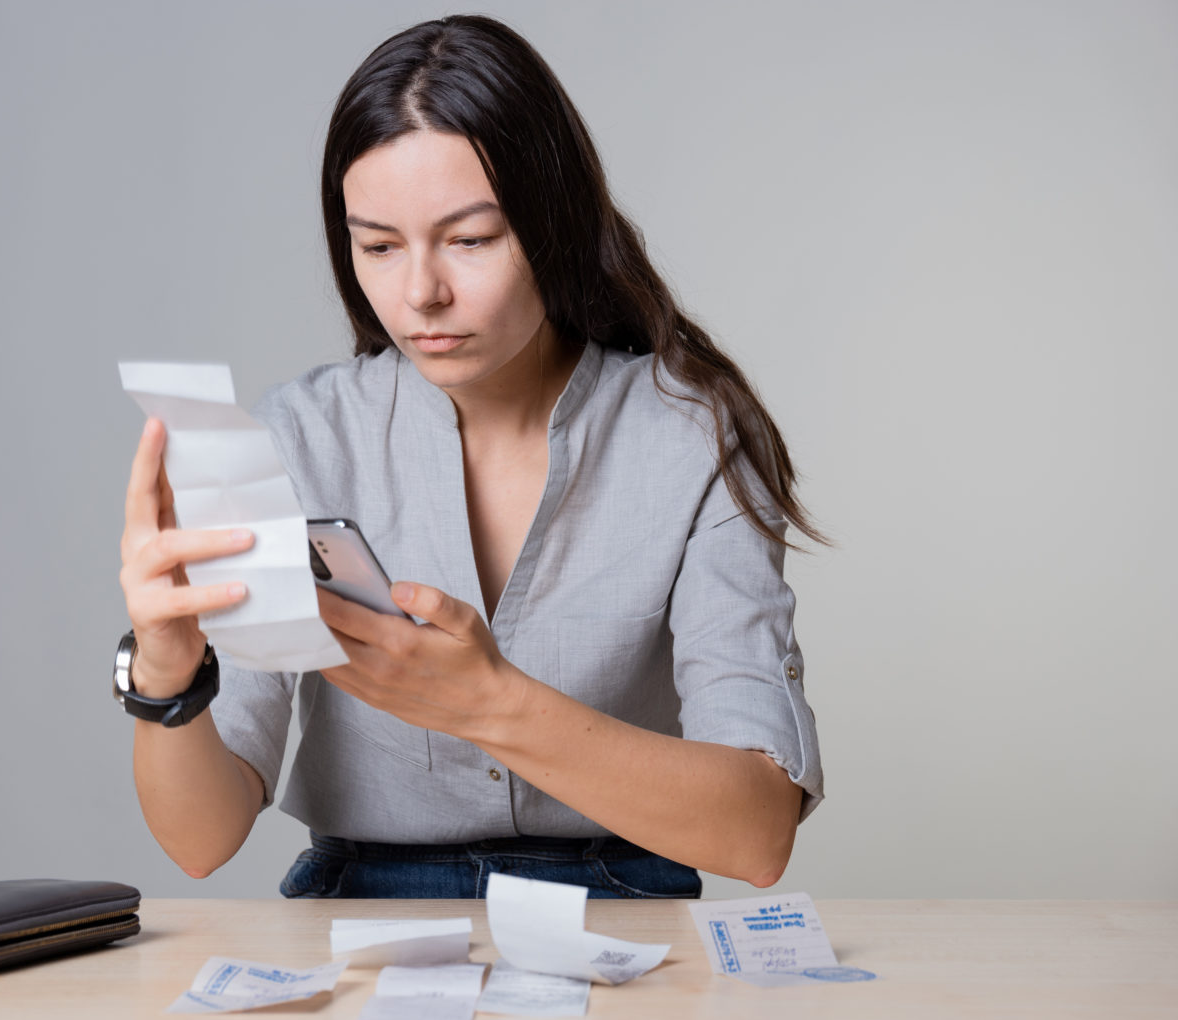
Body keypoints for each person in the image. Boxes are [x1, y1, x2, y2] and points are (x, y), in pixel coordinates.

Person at [117, 14, 826, 900]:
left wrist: (489, 702)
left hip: (620, 910)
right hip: (362, 911)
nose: (419, 293)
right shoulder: (302, 436)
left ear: (555, 225)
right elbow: (200, 839)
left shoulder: (693, 437)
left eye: (471, 239)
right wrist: (167, 673)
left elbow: (758, 832)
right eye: (376, 245)